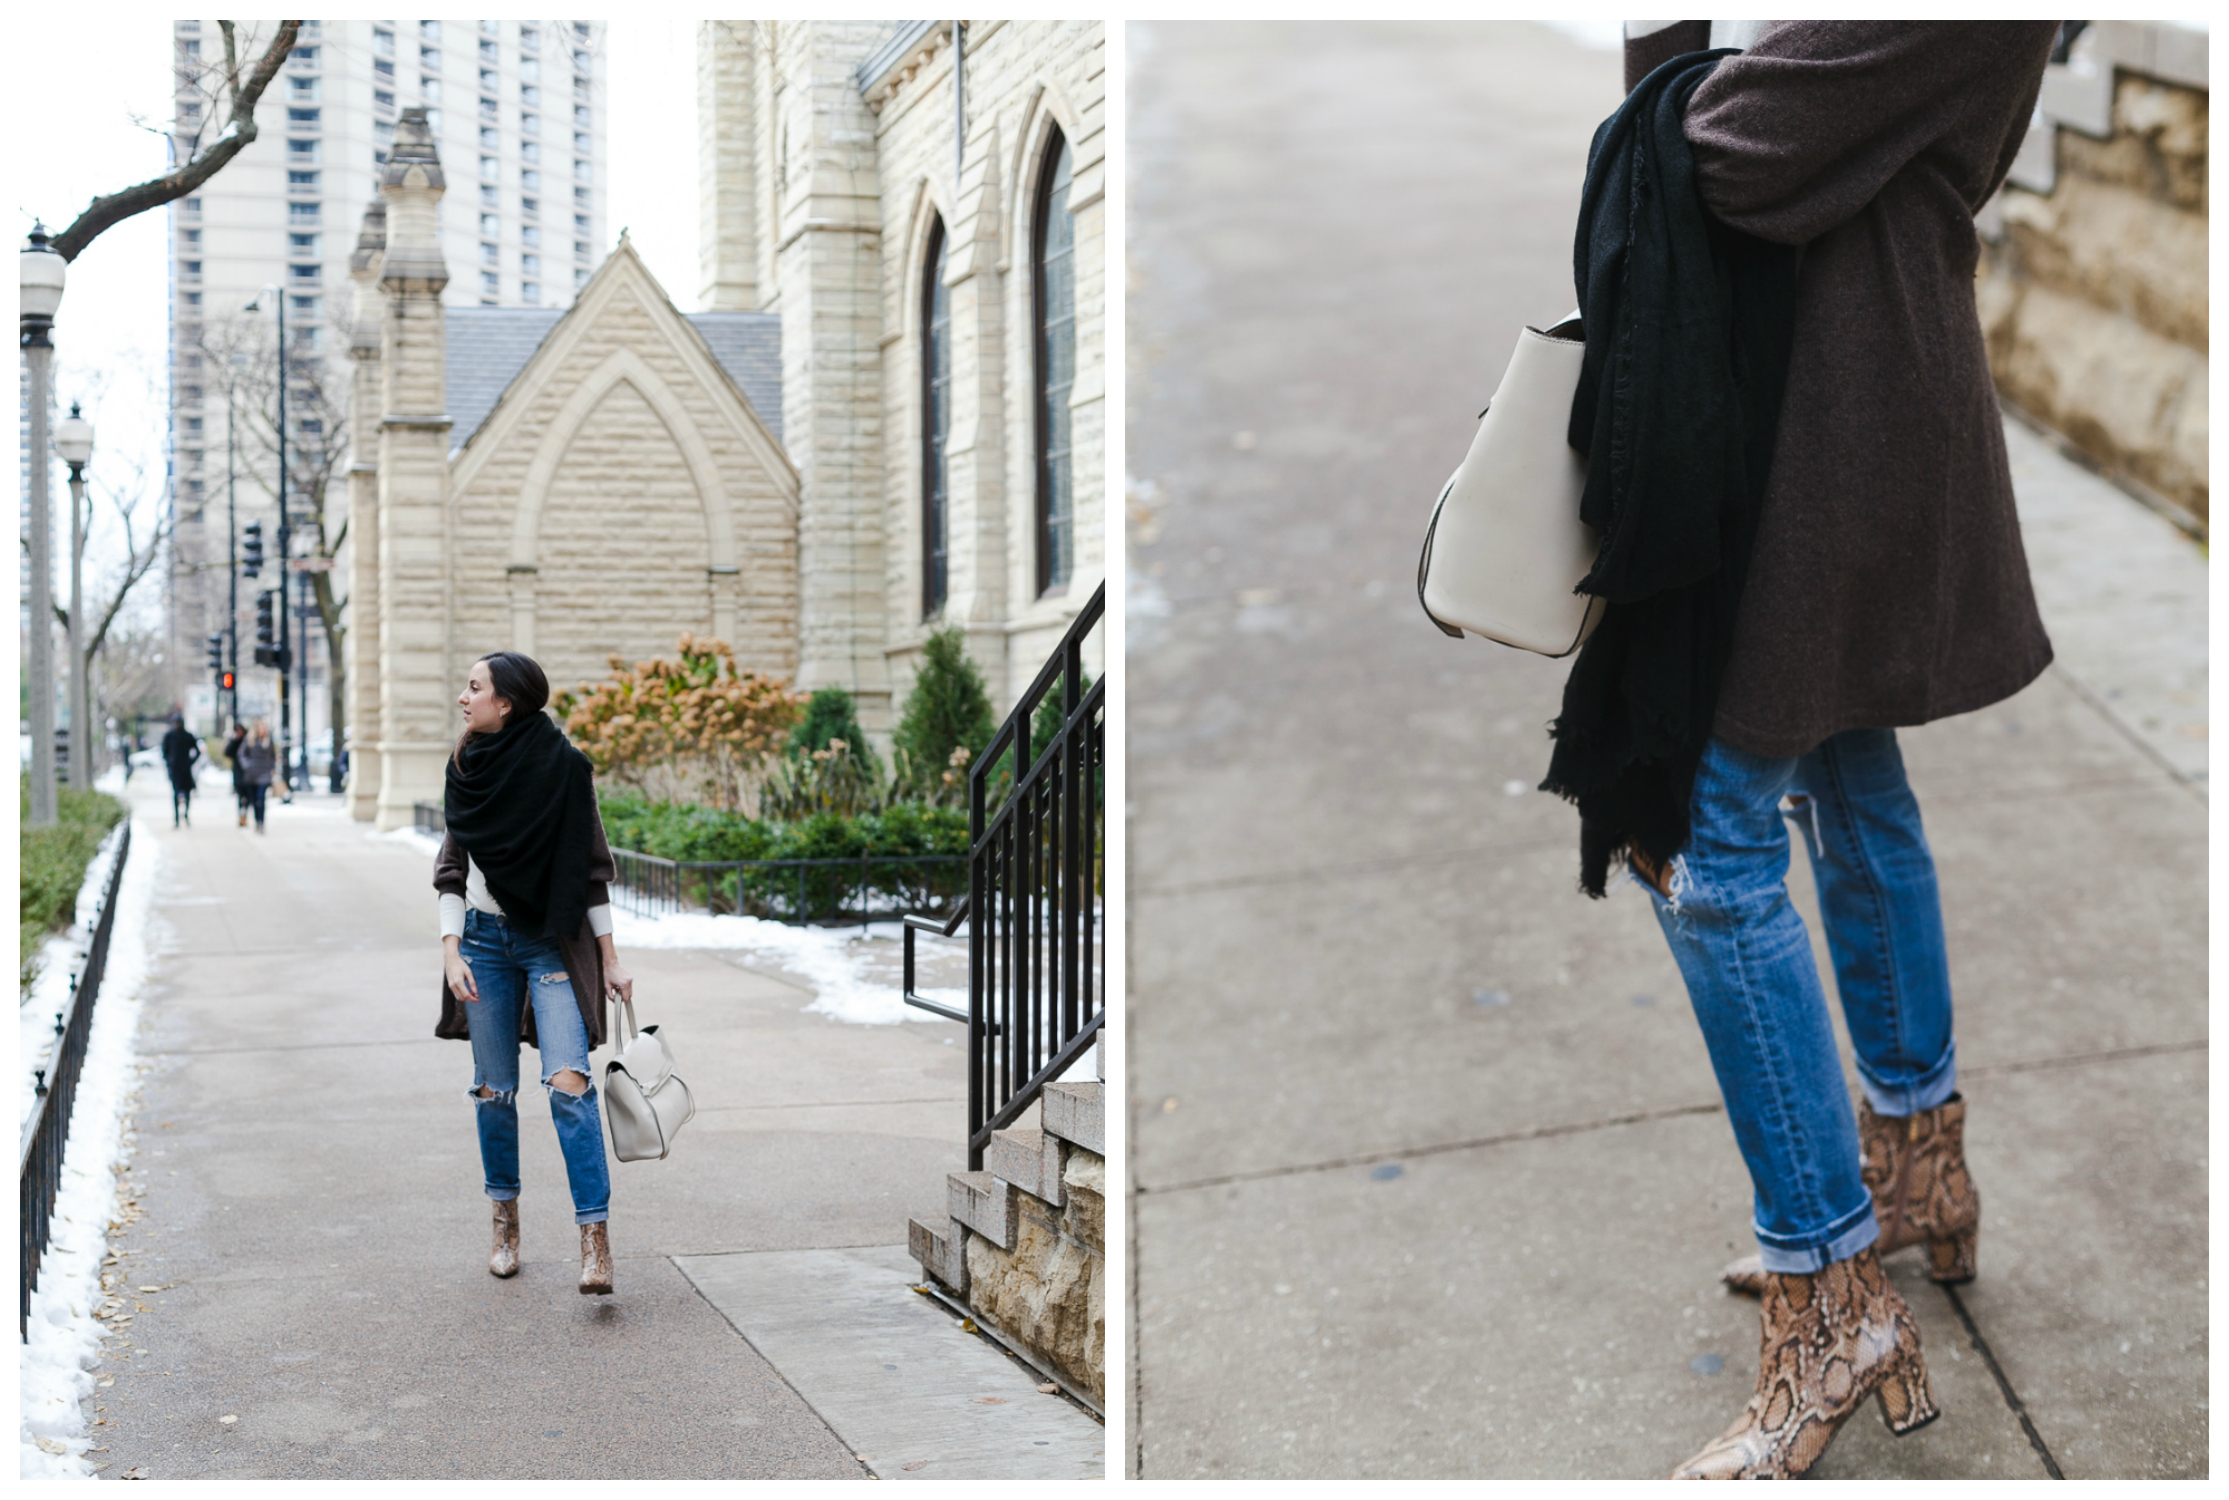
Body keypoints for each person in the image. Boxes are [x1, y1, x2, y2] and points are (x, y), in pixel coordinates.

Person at [1595, 21, 2061, 1480]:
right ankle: (1917, 1173)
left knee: (1705, 846)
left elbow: (1733, 154)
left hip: (1831, 431)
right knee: (1851, 786)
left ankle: (1830, 1299)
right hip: (1851, 400)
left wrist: (1682, 69)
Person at [432, 652, 633, 1295]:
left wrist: (609, 958)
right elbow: (451, 870)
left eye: (474, 687)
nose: (463, 697)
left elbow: (591, 871)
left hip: (549, 944)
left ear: (506, 702)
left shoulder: (564, 768)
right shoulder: (465, 768)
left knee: (569, 1086)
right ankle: (504, 1222)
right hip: (484, 945)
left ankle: (595, 1240)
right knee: (494, 1091)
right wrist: (451, 947)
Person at [159, 713, 202, 828]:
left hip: (185, 769)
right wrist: (169, 762)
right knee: (175, 793)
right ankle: (177, 818)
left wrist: (189, 762)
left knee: (187, 793)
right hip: (175, 769)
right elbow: (164, 751)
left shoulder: (188, 736)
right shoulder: (169, 736)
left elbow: (197, 751)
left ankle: (186, 815)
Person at [235, 721, 278, 833]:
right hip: (252, 774)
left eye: (263, 728)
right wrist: (247, 765)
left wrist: (272, 768)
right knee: (254, 801)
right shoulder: (250, 740)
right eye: (260, 728)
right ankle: (256, 820)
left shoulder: (268, 741)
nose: (262, 730)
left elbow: (273, 756)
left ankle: (261, 822)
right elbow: (241, 754)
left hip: (264, 774)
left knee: (261, 798)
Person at [223, 720, 250, 826]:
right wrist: (234, 740)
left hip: (248, 771)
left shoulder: (248, 740)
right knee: (240, 794)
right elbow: (227, 753)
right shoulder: (235, 741)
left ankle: (244, 815)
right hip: (238, 771)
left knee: (247, 795)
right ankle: (241, 815)